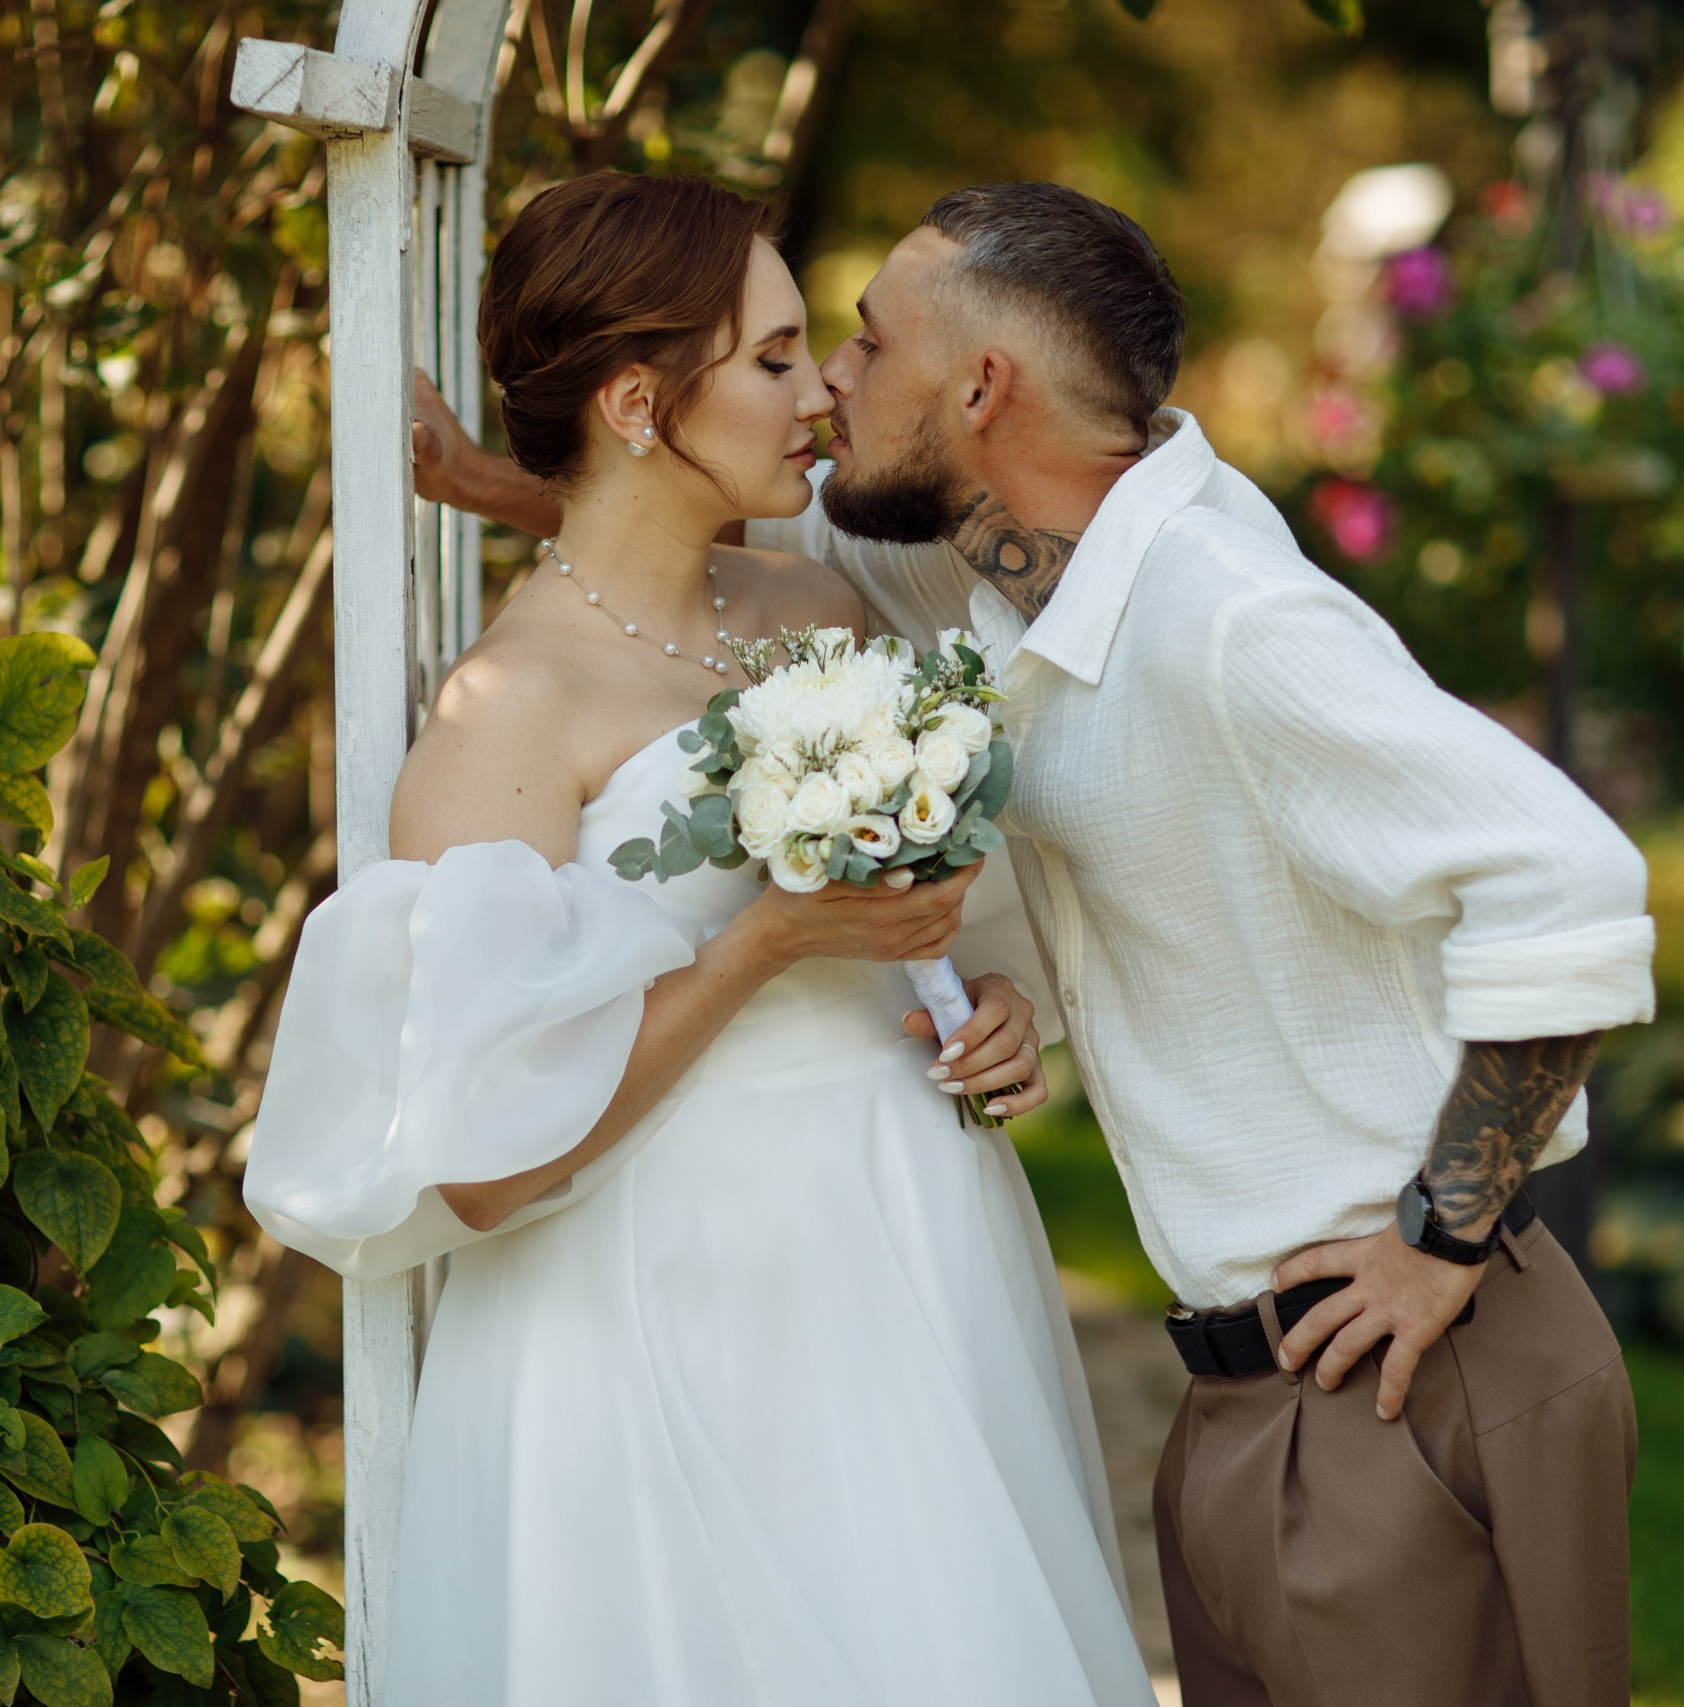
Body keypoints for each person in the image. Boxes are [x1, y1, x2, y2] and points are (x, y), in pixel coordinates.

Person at [414, 179, 1658, 1707]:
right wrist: (497, 480)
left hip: (1405, 1367)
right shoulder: (994, 562)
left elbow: (1569, 886)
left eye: (863, 344)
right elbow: (694, 512)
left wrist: (1441, 1238)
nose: (829, 387)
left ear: (980, 389)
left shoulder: (1227, 619)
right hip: (1251, 1399)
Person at [244, 171, 1158, 1706]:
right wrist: (760, 944)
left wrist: (984, 997)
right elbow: (480, 1158)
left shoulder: (821, 610)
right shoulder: (509, 713)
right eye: (775, 358)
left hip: (908, 1250)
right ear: (634, 401)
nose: (821, 395)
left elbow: (926, 916)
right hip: (662, 1305)